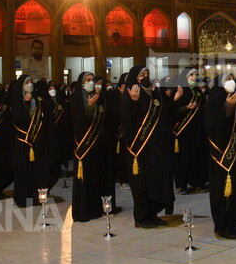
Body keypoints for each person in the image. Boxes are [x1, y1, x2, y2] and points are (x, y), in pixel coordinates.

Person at [121, 66, 186, 227]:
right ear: (135, 77)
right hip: (141, 147)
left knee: (157, 179)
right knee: (143, 182)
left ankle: (153, 213)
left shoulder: (155, 93)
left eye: (147, 74)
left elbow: (166, 114)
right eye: (142, 74)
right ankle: (142, 217)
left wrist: (175, 99)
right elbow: (127, 120)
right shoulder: (130, 94)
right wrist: (134, 102)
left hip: (158, 146)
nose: (145, 77)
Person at [205, 73, 236, 239]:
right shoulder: (214, 99)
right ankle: (223, 226)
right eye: (227, 79)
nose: (231, 82)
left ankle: (235, 222)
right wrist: (227, 106)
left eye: (232, 79)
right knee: (223, 191)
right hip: (221, 155)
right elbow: (213, 125)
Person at [70, 72, 107, 222]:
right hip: (83, 143)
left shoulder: (97, 98)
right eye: (88, 80)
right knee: (83, 178)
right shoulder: (77, 99)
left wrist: (97, 102)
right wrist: (90, 106)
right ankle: (83, 211)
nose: (91, 83)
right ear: (81, 83)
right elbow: (80, 121)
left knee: (95, 176)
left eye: (93, 80)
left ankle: (95, 209)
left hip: (96, 144)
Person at [11, 75, 52, 208]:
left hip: (37, 141)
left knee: (37, 170)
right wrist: (26, 103)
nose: (30, 84)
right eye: (27, 82)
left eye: (31, 82)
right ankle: (23, 198)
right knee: (24, 170)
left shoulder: (38, 100)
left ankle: (37, 197)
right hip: (23, 142)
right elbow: (18, 120)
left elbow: (44, 119)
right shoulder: (17, 101)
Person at [172, 67, 207, 194]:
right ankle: (182, 185)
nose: (194, 77)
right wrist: (186, 107)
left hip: (197, 129)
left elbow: (203, 106)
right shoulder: (179, 89)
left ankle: (198, 182)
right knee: (183, 158)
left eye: (196, 75)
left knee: (197, 157)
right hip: (183, 130)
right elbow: (172, 109)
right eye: (191, 75)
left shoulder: (198, 91)